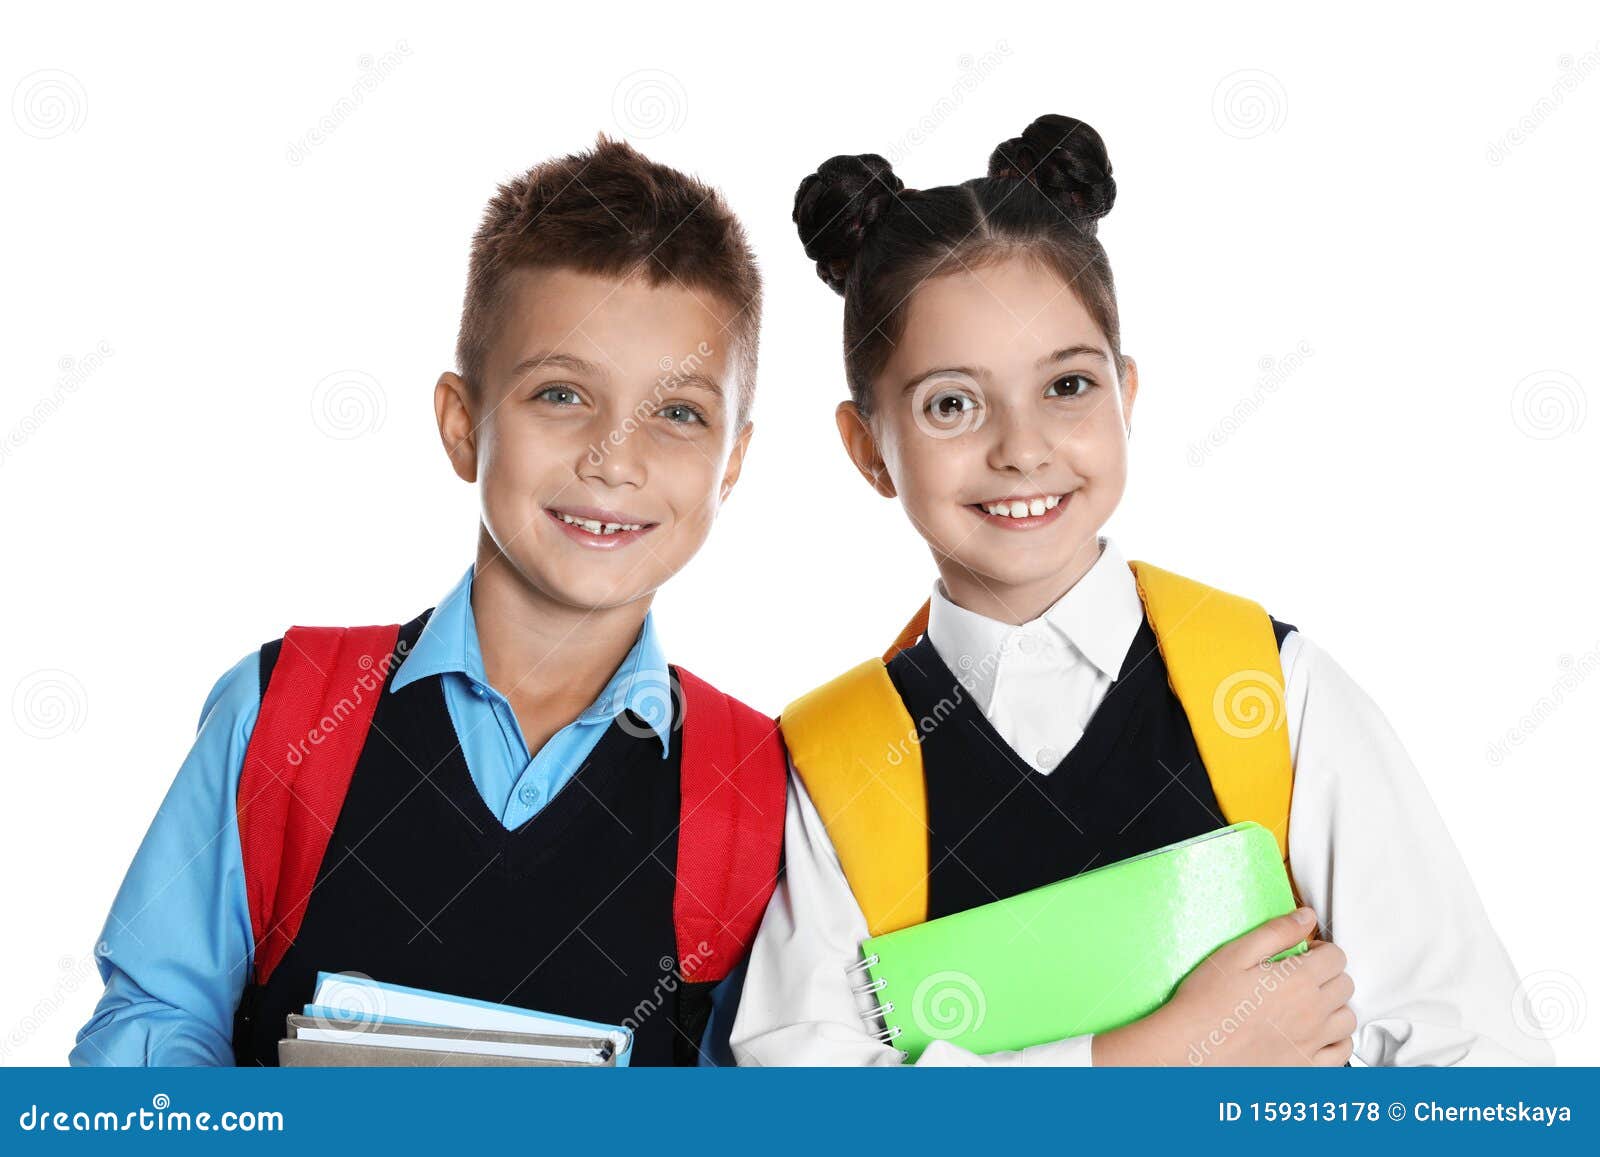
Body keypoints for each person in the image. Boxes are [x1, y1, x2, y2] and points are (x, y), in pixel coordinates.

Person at [730, 114, 1553, 1067]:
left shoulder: (1273, 691)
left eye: (1068, 386)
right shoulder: (831, 765)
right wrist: (1157, 1058)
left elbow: (1478, 1060)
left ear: (1126, 394)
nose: (1021, 446)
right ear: (868, 447)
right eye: (950, 403)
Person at [71, 135, 784, 1067]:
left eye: (679, 411)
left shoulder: (756, 786)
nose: (617, 456)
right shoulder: (284, 712)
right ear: (461, 425)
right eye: (562, 393)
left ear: (732, 461)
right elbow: (155, 1028)